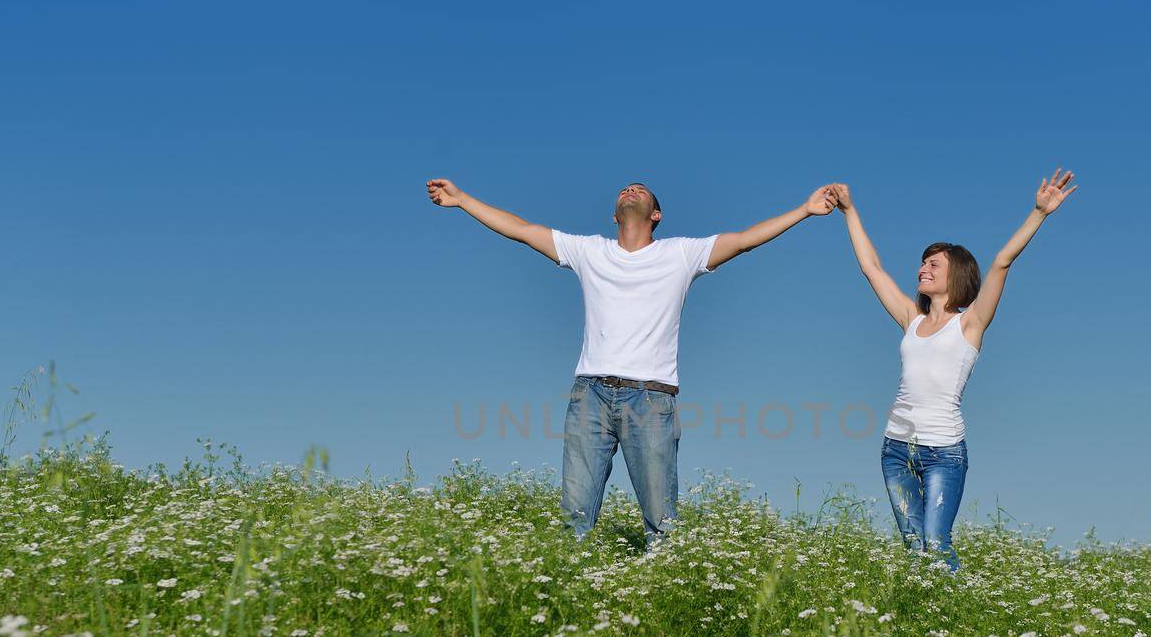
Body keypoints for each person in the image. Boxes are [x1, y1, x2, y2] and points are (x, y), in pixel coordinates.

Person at [427, 177, 838, 545]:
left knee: (661, 521)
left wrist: (804, 210)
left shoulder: (681, 254)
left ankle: (662, 601)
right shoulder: (590, 251)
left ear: (655, 214)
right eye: (625, 189)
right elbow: (521, 230)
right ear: (614, 214)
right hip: (590, 394)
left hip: (651, 398)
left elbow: (745, 239)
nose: (631, 189)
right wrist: (463, 200)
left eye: (641, 189)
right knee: (575, 515)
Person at [833, 169, 1078, 570]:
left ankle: (954, 613)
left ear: (955, 275)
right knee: (914, 547)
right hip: (895, 449)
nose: (922, 270)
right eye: (922, 264)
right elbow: (871, 268)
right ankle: (923, 623)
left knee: (935, 540)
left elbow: (1002, 263)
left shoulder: (970, 324)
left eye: (933, 264)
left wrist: (1039, 213)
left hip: (944, 453)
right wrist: (849, 211)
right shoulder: (910, 317)